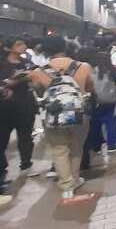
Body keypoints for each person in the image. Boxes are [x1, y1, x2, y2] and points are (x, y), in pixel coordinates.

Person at [28, 37, 94, 199]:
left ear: (45, 51)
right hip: (79, 113)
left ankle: (66, 186)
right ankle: (76, 178)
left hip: (53, 115)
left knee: (59, 150)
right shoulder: (83, 66)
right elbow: (89, 87)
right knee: (77, 147)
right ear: (66, 47)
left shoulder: (38, 72)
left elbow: (38, 92)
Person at [1, 37, 40, 181]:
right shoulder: (2, 63)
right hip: (6, 106)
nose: (23, 46)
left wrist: (32, 79)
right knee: (3, 138)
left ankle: (26, 164)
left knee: (25, 137)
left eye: (23, 43)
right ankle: (2, 168)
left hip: (25, 104)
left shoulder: (27, 63)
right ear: (9, 48)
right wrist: (10, 82)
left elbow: (36, 77)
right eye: (19, 44)